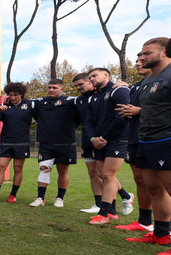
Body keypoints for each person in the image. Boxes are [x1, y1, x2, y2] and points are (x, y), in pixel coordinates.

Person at [128, 36, 171, 255]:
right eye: (140, 54)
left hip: (168, 141)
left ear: (164, 52)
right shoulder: (148, 81)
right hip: (146, 142)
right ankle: (160, 235)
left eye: (147, 53)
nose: (142, 57)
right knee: (155, 190)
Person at [86, 67, 132, 225]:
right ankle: (114, 210)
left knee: (107, 175)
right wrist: (93, 138)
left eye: (94, 75)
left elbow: (122, 117)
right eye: (90, 77)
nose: (91, 79)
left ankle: (103, 214)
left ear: (106, 75)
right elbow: (89, 121)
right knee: (101, 174)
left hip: (117, 140)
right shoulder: (93, 97)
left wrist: (104, 137)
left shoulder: (118, 90)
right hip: (99, 141)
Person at [116, 55, 155, 232]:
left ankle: (164, 229)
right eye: (137, 60)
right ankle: (144, 222)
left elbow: (166, 108)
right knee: (140, 179)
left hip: (156, 138)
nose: (137, 63)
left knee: (160, 185)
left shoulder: (164, 81)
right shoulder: (138, 86)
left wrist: (140, 110)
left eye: (143, 59)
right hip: (135, 137)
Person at [28, 79, 80, 208]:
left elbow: (80, 114)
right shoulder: (40, 102)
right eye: (49, 87)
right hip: (46, 143)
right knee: (44, 168)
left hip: (66, 143)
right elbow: (24, 104)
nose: (51, 90)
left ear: (62, 89)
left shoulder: (71, 101)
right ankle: (40, 198)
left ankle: (60, 198)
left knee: (63, 171)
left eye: (54, 88)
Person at [0, 82, 33, 203]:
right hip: (6, 141)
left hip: (22, 142)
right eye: (10, 95)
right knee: (1, 166)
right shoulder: (5, 105)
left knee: (18, 168)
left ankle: (13, 194)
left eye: (15, 95)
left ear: (22, 94)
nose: (13, 97)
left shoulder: (30, 105)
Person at [73, 73, 105, 214]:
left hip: (102, 139)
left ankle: (124, 196)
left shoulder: (101, 95)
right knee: (92, 172)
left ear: (90, 82)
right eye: (76, 86)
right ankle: (98, 204)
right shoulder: (78, 101)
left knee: (104, 173)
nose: (78, 87)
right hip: (87, 139)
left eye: (81, 84)